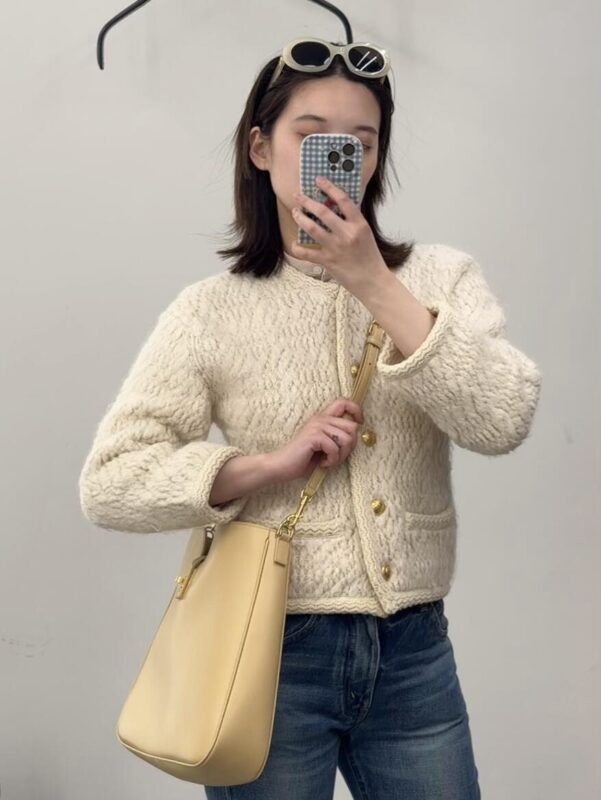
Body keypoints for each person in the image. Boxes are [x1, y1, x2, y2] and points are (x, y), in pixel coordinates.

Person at [78, 36, 542, 800]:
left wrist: (374, 283)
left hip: (413, 653)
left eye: (360, 143)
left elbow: (503, 418)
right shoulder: (210, 311)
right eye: (313, 136)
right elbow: (110, 483)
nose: (338, 159)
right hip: (267, 651)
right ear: (260, 148)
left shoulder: (440, 277)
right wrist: (263, 467)